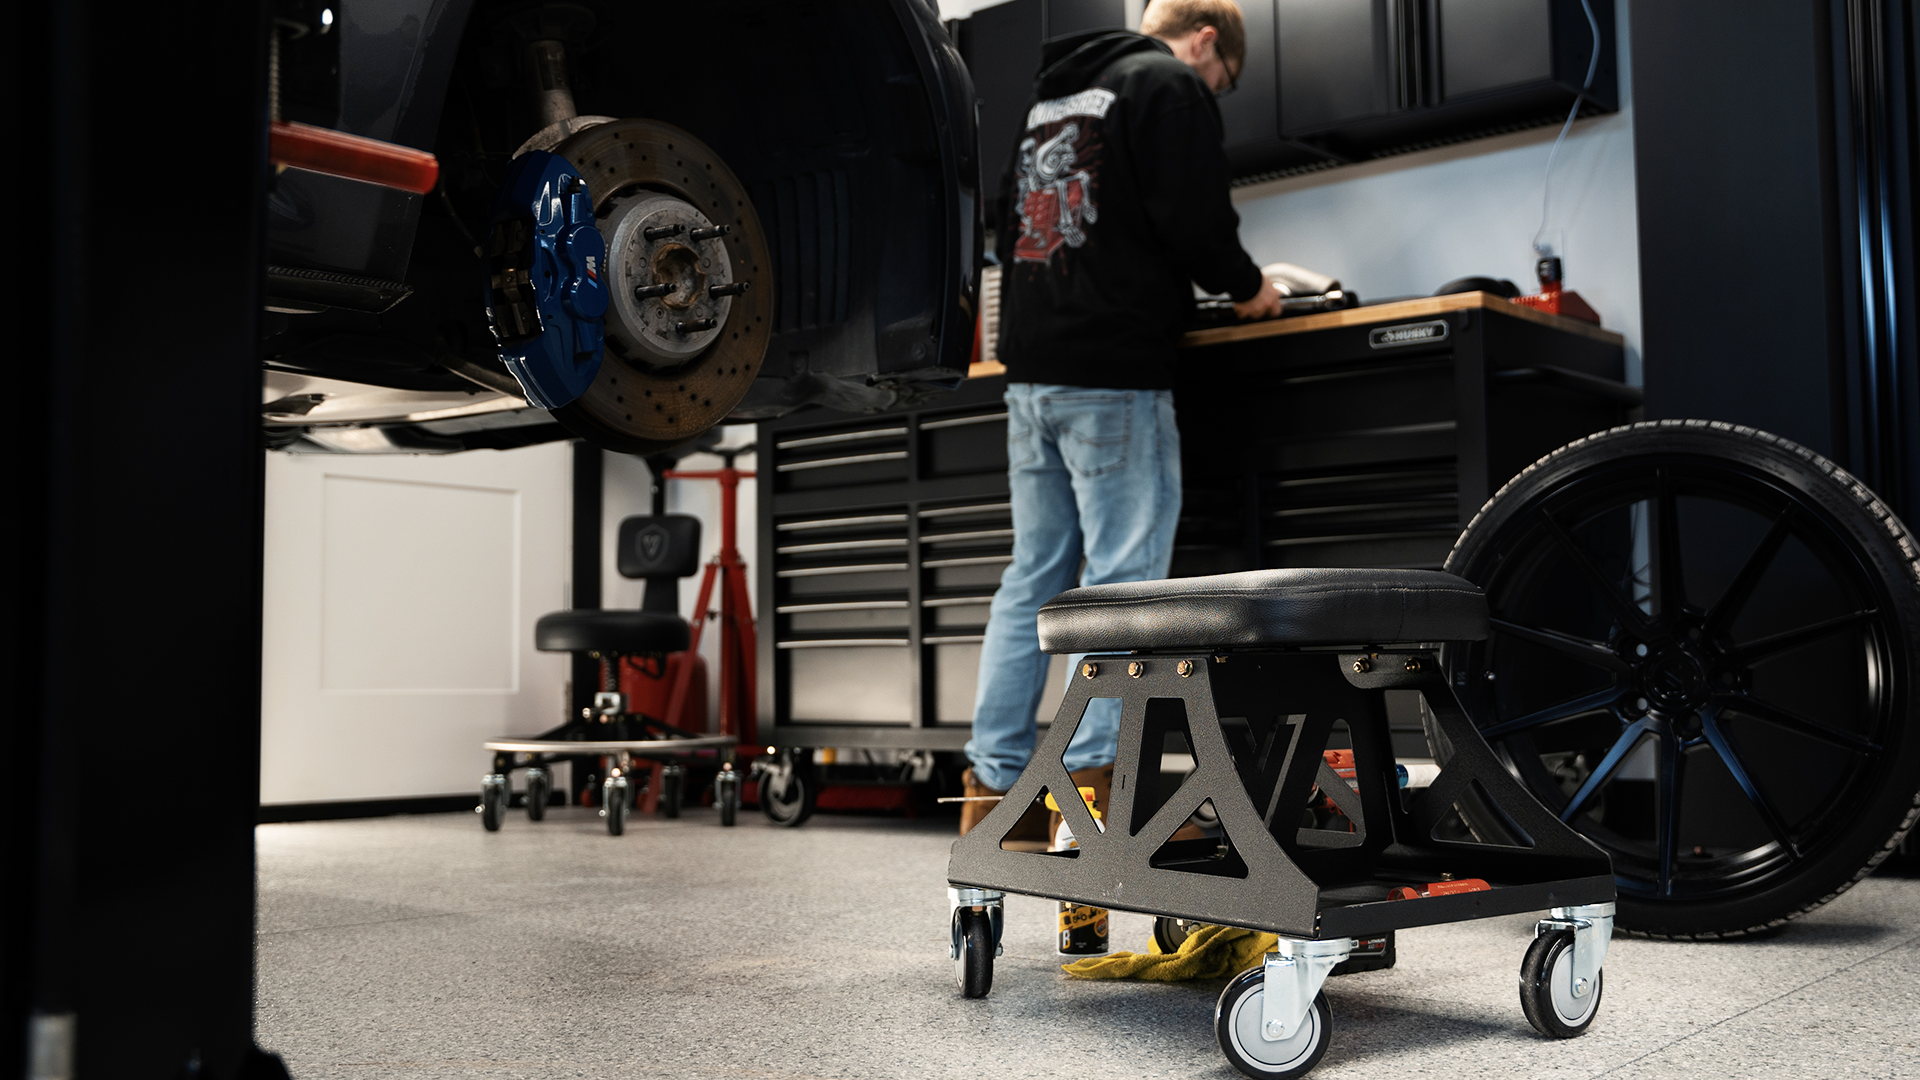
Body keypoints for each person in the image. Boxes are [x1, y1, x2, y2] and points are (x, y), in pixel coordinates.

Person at [961, 0, 1285, 836]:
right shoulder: (1167, 81)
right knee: (1124, 592)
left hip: (1031, 372)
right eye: (1226, 79)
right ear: (1207, 39)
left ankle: (993, 793)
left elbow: (1006, 224)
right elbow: (1196, 220)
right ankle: (1088, 795)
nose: (1216, 89)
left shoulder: (1052, 99)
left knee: (1033, 578)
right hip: (1111, 371)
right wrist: (1252, 288)